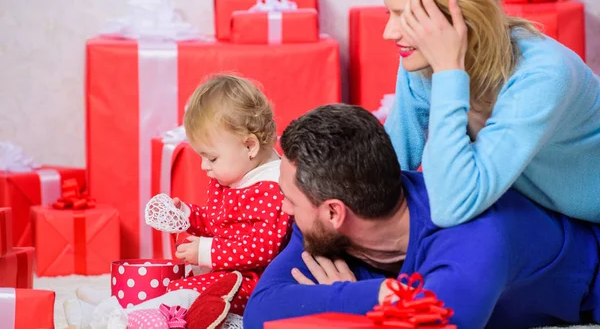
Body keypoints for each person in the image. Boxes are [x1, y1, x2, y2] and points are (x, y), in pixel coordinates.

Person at [243, 104, 600, 329]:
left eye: (290, 199)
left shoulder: (474, 237)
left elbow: (443, 320)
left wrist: (348, 299)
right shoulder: (328, 223)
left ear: (335, 212)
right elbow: (260, 314)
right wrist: (382, 296)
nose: (284, 209)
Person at [382, 0, 600, 227]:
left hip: (586, 226)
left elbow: (451, 206)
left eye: (409, 18)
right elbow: (386, 170)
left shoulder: (544, 75)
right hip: (531, 209)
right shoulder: (421, 59)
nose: (390, 32)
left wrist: (449, 71)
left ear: (463, 16)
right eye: (390, 13)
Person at [168, 74, 292, 315]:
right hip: (231, 272)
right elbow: (220, 223)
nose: (204, 166)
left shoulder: (272, 187)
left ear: (249, 146)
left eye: (211, 158)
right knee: (176, 285)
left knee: (187, 296)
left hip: (257, 281)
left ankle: (148, 314)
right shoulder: (232, 176)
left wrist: (208, 251)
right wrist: (187, 214)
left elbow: (263, 247)